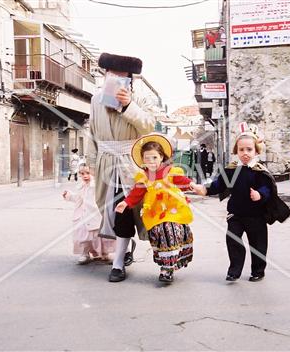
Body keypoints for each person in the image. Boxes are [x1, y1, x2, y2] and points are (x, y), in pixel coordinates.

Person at [88, 52, 156, 282]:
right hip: (105, 162)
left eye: (121, 75)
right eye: (111, 73)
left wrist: (128, 106)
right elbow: (92, 135)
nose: (115, 78)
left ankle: (118, 264)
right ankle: (125, 249)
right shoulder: (95, 100)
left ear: (130, 79)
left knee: (125, 208)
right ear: (105, 74)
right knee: (108, 210)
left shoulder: (141, 99)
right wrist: (89, 164)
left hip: (130, 163)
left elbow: (148, 127)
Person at [193, 129, 290, 282]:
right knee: (232, 240)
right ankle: (234, 271)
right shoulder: (232, 169)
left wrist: (260, 194)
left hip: (256, 216)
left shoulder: (259, 171)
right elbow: (219, 184)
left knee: (258, 244)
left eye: (249, 149)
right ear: (236, 151)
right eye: (241, 149)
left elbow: (267, 188)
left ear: (256, 151)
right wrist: (205, 189)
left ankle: (258, 270)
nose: (245, 153)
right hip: (236, 214)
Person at [115, 134, 197, 282]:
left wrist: (193, 185)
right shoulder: (144, 178)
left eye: (154, 157)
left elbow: (183, 181)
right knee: (161, 234)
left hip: (173, 210)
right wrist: (125, 203)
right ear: (143, 160)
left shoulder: (170, 172)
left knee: (171, 230)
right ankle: (166, 265)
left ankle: (167, 269)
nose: (151, 162)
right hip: (155, 213)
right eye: (147, 158)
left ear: (161, 157)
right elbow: (136, 193)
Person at [62, 164, 115, 264]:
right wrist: (69, 196)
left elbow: (103, 197)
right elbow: (78, 198)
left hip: (95, 214)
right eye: (82, 174)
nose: (85, 176)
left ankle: (104, 253)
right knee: (83, 235)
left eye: (88, 173)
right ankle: (84, 253)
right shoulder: (81, 186)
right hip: (82, 215)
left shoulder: (96, 186)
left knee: (98, 236)